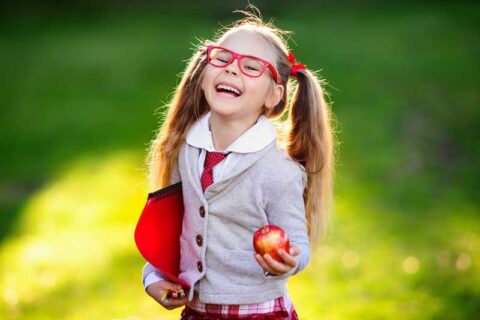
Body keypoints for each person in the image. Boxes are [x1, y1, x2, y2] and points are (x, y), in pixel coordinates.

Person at [142, 7, 336, 320]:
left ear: (274, 95)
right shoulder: (186, 152)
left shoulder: (278, 171)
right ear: (204, 74)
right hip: (196, 312)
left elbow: (298, 243)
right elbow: (172, 229)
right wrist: (153, 278)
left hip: (259, 314)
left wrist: (288, 261)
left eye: (250, 67)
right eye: (222, 58)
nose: (232, 70)